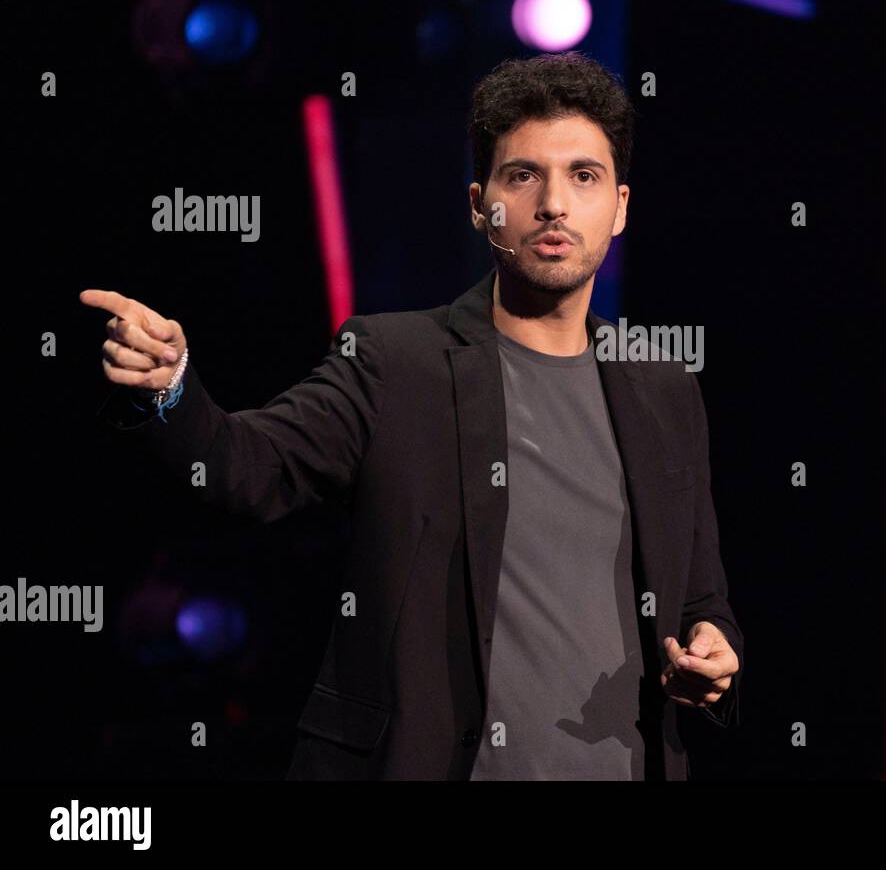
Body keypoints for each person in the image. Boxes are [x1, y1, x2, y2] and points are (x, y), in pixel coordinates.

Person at [81, 51, 743, 780]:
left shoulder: (665, 389)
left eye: (582, 176)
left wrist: (712, 649)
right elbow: (248, 469)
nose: (553, 203)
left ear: (618, 206)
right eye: (522, 175)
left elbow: (700, 596)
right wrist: (173, 383)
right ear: (477, 203)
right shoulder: (396, 362)